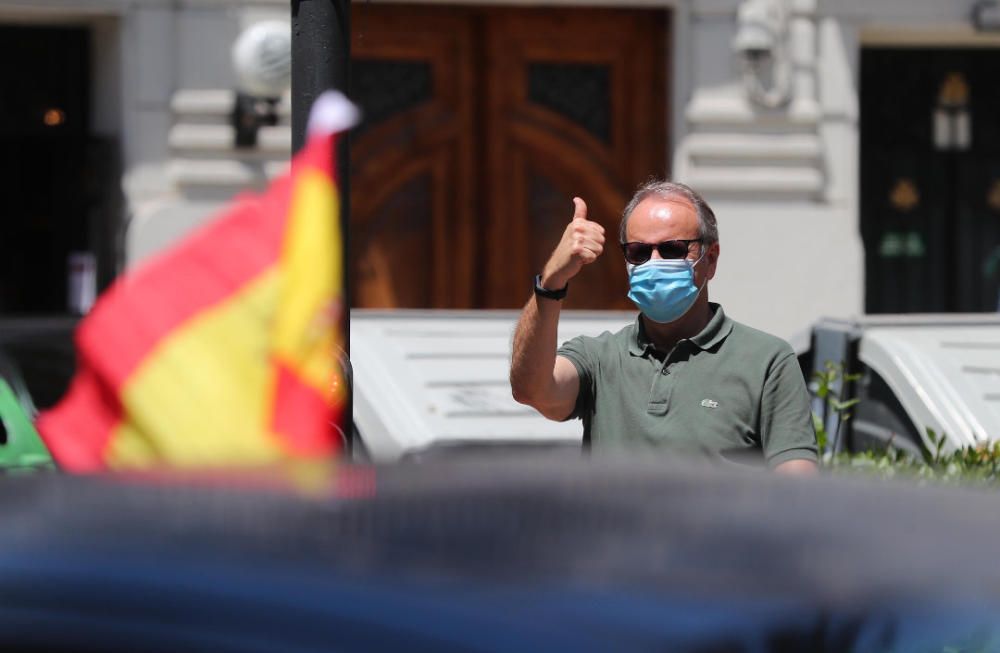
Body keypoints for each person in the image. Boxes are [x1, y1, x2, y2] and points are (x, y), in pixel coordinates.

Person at [509, 180, 817, 473]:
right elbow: (532, 390)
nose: (654, 262)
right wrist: (552, 281)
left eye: (672, 250)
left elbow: (798, 491)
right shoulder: (599, 358)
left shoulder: (767, 360)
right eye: (639, 253)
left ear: (710, 259)